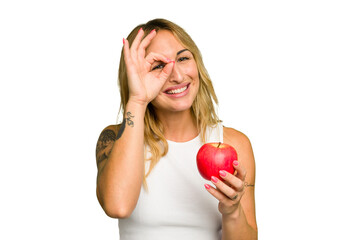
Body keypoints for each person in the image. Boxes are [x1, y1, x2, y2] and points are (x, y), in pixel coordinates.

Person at [95, 18, 257, 239]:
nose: (178, 76)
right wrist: (137, 100)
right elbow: (117, 206)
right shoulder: (115, 138)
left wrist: (232, 211)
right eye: (158, 66)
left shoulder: (235, 143)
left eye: (183, 58)